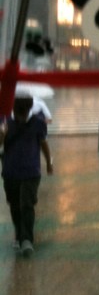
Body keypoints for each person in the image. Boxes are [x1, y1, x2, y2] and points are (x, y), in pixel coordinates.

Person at [0, 92, 53, 256]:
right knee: (15, 205)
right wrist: (2, 135)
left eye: (22, 109)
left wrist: (49, 162)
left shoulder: (38, 123)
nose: (20, 112)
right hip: (10, 172)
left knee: (27, 205)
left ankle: (27, 240)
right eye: (17, 109)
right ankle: (19, 234)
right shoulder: (4, 122)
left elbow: (43, 143)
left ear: (29, 107)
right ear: (12, 108)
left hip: (31, 172)